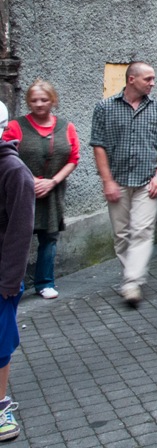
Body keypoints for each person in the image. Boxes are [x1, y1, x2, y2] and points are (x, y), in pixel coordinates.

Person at [91, 62, 157, 308]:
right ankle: (131, 276)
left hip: (147, 182)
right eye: (148, 79)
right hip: (117, 182)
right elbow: (98, 145)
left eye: (153, 78)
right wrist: (107, 181)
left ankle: (132, 281)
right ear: (131, 79)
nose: (152, 83)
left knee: (142, 231)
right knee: (121, 234)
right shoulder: (105, 107)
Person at [1, 80, 79, 299]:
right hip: (21, 188)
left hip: (52, 191)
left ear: (53, 101)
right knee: (16, 235)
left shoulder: (66, 126)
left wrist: (52, 181)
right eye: (33, 100)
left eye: (44, 100)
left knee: (49, 237)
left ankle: (45, 282)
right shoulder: (16, 126)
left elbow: (73, 158)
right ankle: (14, 282)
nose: (39, 104)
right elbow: (6, 153)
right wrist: (30, 179)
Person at [0, 110, 35, 441]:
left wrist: (10, 281)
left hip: (2, 277)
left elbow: (20, 232)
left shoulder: (14, 172)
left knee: (0, 344)